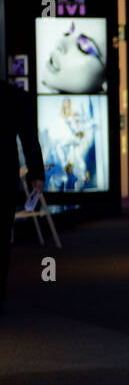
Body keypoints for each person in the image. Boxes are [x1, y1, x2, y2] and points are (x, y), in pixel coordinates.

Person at [1, 83, 47, 314]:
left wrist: (37, 172)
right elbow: (29, 138)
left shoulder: (14, 97)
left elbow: (29, 138)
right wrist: (37, 173)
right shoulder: (15, 96)